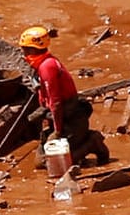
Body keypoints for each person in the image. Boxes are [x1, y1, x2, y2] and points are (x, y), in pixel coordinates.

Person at [19, 26, 111, 167]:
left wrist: (57, 131)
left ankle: (92, 142)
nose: (23, 52)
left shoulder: (47, 67)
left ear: (34, 49)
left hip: (71, 118)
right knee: (40, 160)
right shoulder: (44, 62)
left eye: (26, 48)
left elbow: (56, 103)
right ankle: (80, 141)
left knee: (50, 163)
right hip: (64, 116)